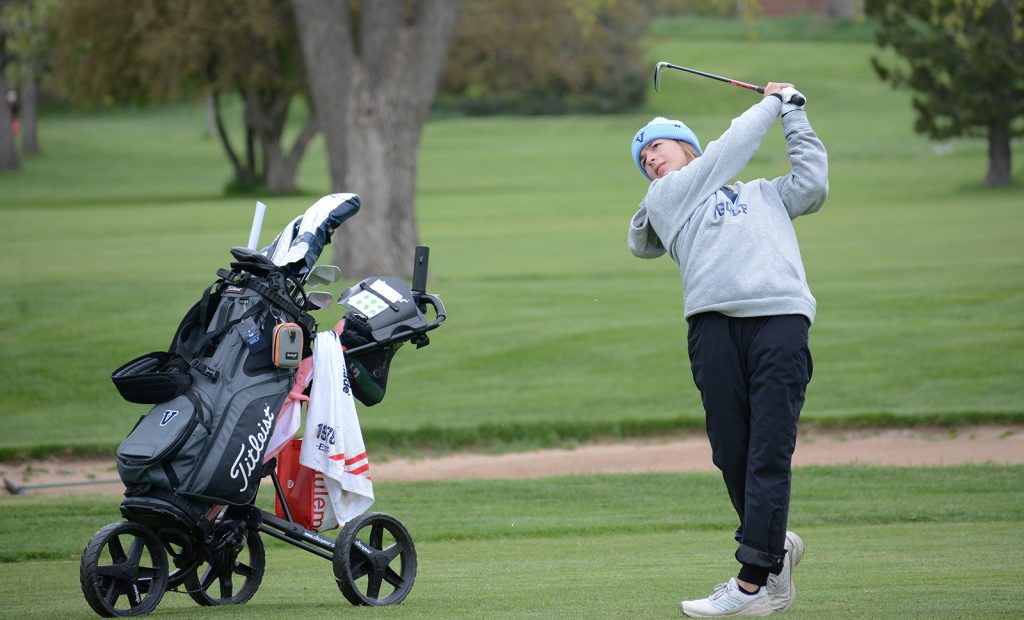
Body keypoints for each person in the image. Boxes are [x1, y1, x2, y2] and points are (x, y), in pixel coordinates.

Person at [627, 83, 828, 617]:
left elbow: (811, 185)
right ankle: (773, 545)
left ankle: (753, 583)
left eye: (657, 147)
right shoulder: (668, 198)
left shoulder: (766, 193)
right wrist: (769, 100)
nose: (649, 159)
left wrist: (792, 113)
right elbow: (730, 149)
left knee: (768, 449)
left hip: (780, 319)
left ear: (684, 147)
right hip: (713, 327)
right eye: (642, 158)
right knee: (731, 450)